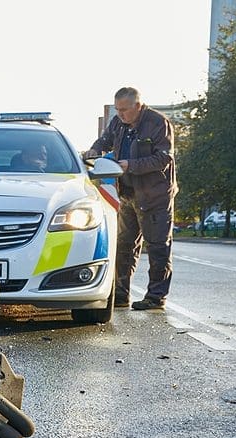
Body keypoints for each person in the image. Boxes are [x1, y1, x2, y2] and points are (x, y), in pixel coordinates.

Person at [85, 86, 177, 310]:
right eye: (117, 109)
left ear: (137, 106)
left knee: (157, 247)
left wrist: (130, 166)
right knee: (124, 246)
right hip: (127, 194)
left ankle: (156, 298)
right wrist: (93, 151)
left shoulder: (158, 123)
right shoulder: (118, 122)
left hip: (154, 196)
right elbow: (104, 141)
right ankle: (120, 294)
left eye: (124, 110)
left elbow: (163, 159)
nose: (121, 114)